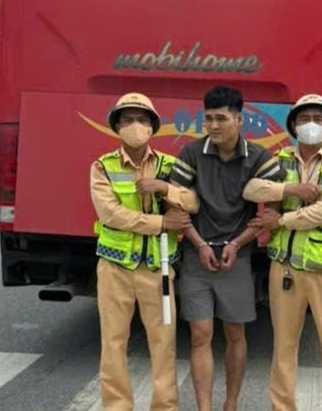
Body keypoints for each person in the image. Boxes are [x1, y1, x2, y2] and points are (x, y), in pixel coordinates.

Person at [243, 94, 322, 411]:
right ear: (293, 125)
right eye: (304, 118)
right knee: (283, 347)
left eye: (318, 119)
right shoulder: (279, 160)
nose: (311, 124)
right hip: (285, 271)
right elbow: (251, 189)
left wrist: (282, 220)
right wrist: (291, 189)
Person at [169, 85, 285, 411]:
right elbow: (175, 207)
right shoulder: (191, 153)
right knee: (200, 333)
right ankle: (204, 407)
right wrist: (199, 244)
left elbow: (272, 212)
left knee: (235, 334)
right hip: (196, 258)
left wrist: (237, 243)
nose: (213, 125)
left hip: (238, 258)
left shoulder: (259, 157)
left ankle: (230, 404)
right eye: (208, 118)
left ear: (239, 119)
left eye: (221, 118)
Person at [89, 92, 199, 411]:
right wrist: (162, 222)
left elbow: (193, 202)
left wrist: (165, 188)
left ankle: (165, 406)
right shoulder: (103, 166)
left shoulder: (169, 165)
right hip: (115, 268)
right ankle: (116, 407)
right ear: (117, 126)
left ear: (152, 127)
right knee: (113, 343)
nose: (135, 126)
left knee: (164, 343)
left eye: (141, 119)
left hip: (158, 268)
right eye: (127, 120)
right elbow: (110, 214)